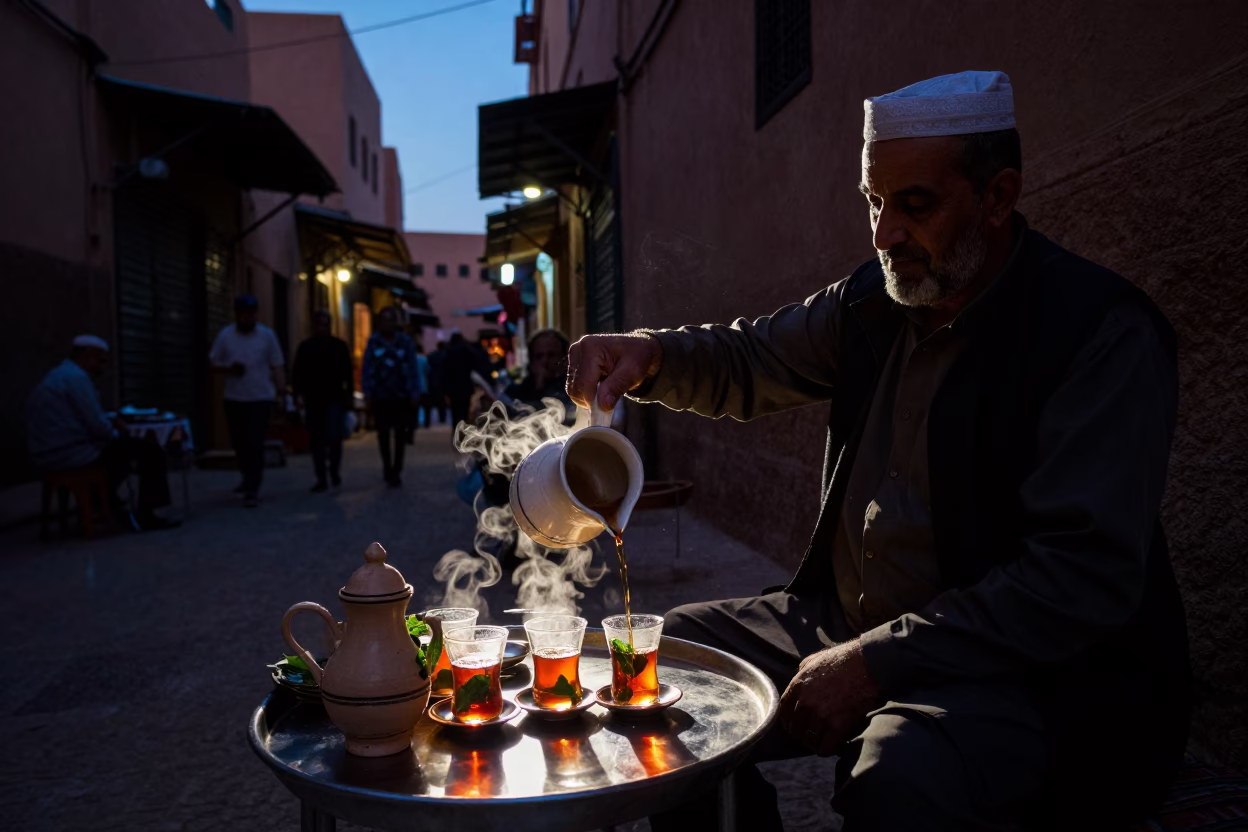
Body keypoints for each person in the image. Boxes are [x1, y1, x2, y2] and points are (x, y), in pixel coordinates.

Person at [566, 71, 1189, 832]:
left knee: (900, 779)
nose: (885, 232)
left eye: (915, 205)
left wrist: (875, 664)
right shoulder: (873, 301)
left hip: (1019, 669)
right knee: (668, 669)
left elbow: (1074, 580)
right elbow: (751, 358)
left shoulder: (1097, 333)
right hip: (846, 622)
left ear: (997, 197)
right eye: (874, 202)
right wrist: (649, 355)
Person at [26, 335, 178, 531]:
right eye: (101, 360)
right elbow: (97, 426)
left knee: (124, 452)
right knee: (150, 451)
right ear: (87, 355)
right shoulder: (76, 379)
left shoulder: (58, 375)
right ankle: (146, 514)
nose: (102, 366)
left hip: (49, 449)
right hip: (70, 452)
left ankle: (106, 501)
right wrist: (119, 432)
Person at [209, 295, 285, 508]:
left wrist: (281, 392)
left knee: (255, 443)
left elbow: (277, 364)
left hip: (260, 397)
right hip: (235, 398)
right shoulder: (226, 336)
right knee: (240, 444)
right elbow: (213, 362)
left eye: (250, 314)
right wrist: (230, 369)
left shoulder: (266, 336)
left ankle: (253, 487)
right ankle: (246, 477)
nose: (247, 317)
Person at [292, 309, 352, 493]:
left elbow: (347, 374)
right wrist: (298, 395)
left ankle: (332, 471)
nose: (322, 328)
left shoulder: (339, 346)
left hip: (334, 398)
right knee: (317, 440)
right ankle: (322, 477)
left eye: (324, 325)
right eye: (319, 324)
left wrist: (347, 399)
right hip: (314, 399)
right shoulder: (306, 347)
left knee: (334, 438)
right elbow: (298, 373)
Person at [361, 306, 420, 487]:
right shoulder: (374, 342)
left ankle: (397, 470)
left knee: (400, 435)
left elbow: (412, 367)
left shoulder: (405, 342)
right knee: (383, 435)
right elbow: (367, 368)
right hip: (380, 396)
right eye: (384, 320)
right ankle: (387, 467)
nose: (388, 323)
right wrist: (368, 393)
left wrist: (414, 392)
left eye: (391, 320)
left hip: (401, 396)